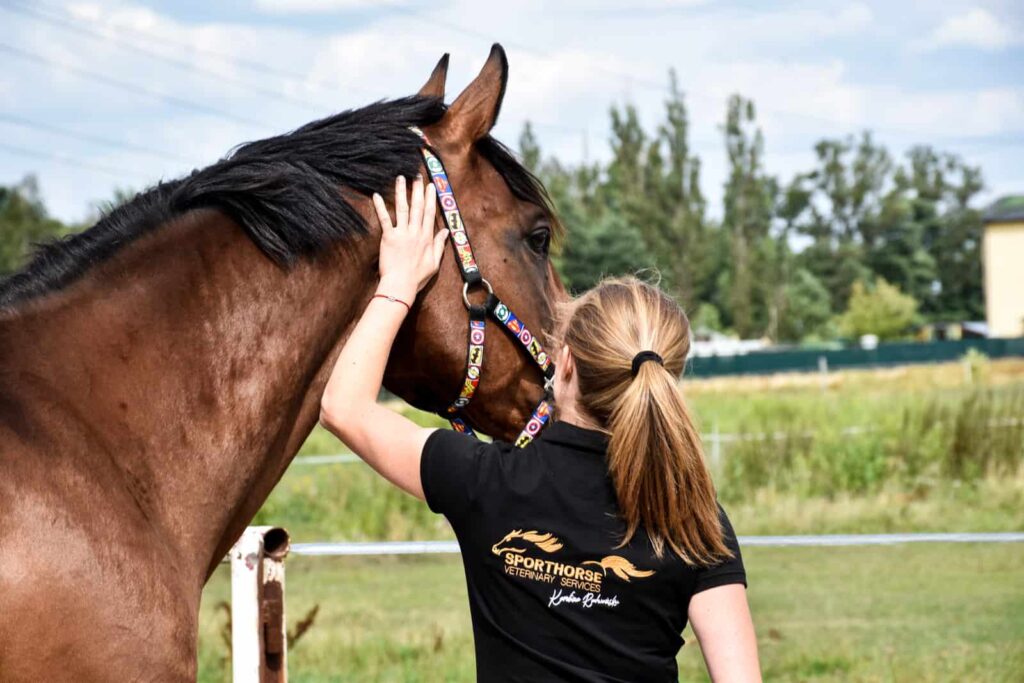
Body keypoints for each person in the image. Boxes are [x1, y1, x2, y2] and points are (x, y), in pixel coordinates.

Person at [320, 175, 762, 682]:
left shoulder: (484, 481)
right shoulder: (694, 519)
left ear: (565, 363)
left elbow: (343, 407)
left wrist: (396, 284)